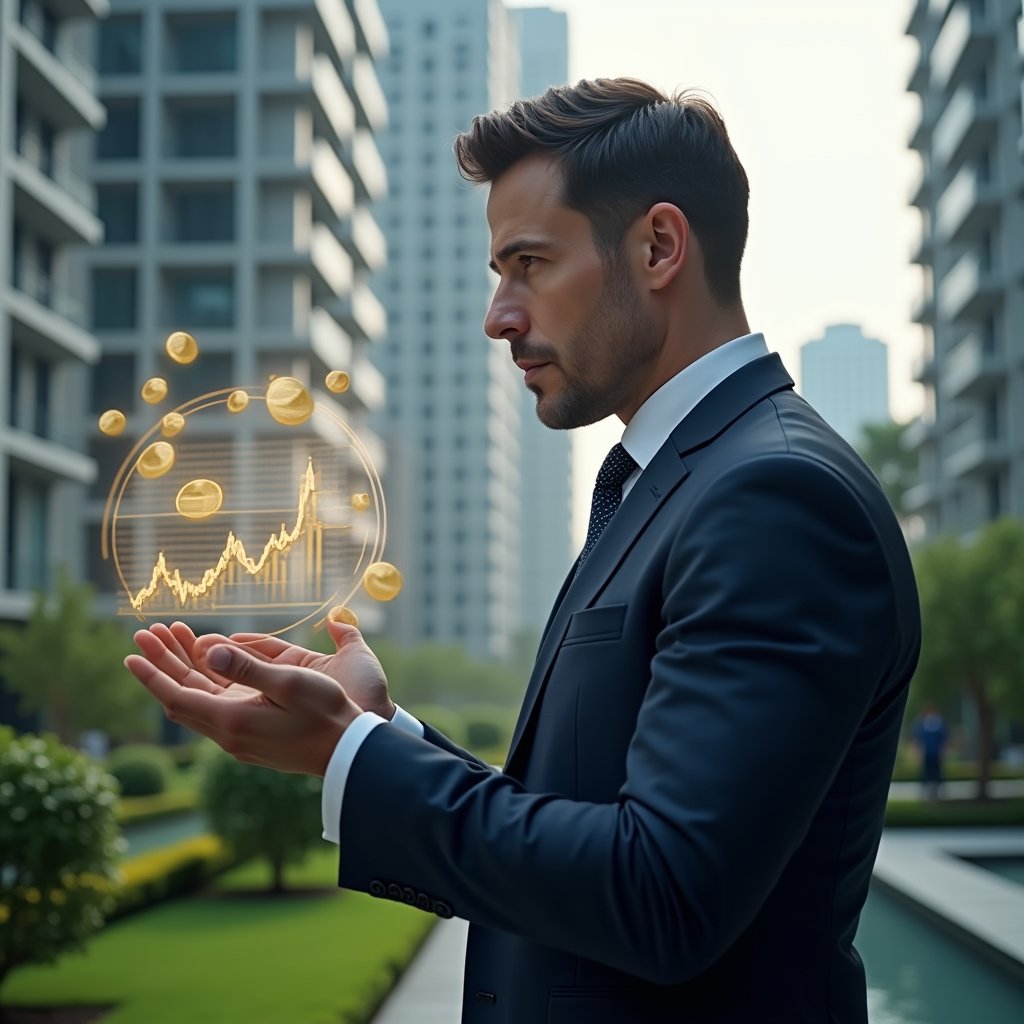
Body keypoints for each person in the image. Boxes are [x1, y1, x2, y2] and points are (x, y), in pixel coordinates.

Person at [125, 78, 922, 1024]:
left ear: (659, 247)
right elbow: (586, 832)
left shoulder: (775, 499)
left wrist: (353, 758)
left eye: (529, 264)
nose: (499, 315)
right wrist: (382, 737)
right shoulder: (680, 479)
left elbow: (661, 893)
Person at [913, 704, 949, 801]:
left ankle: (937, 794)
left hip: (936, 753)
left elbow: (944, 739)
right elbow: (918, 740)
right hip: (926, 754)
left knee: (937, 773)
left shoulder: (939, 724)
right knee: (925, 774)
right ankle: (924, 794)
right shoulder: (922, 724)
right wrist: (918, 752)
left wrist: (943, 751)